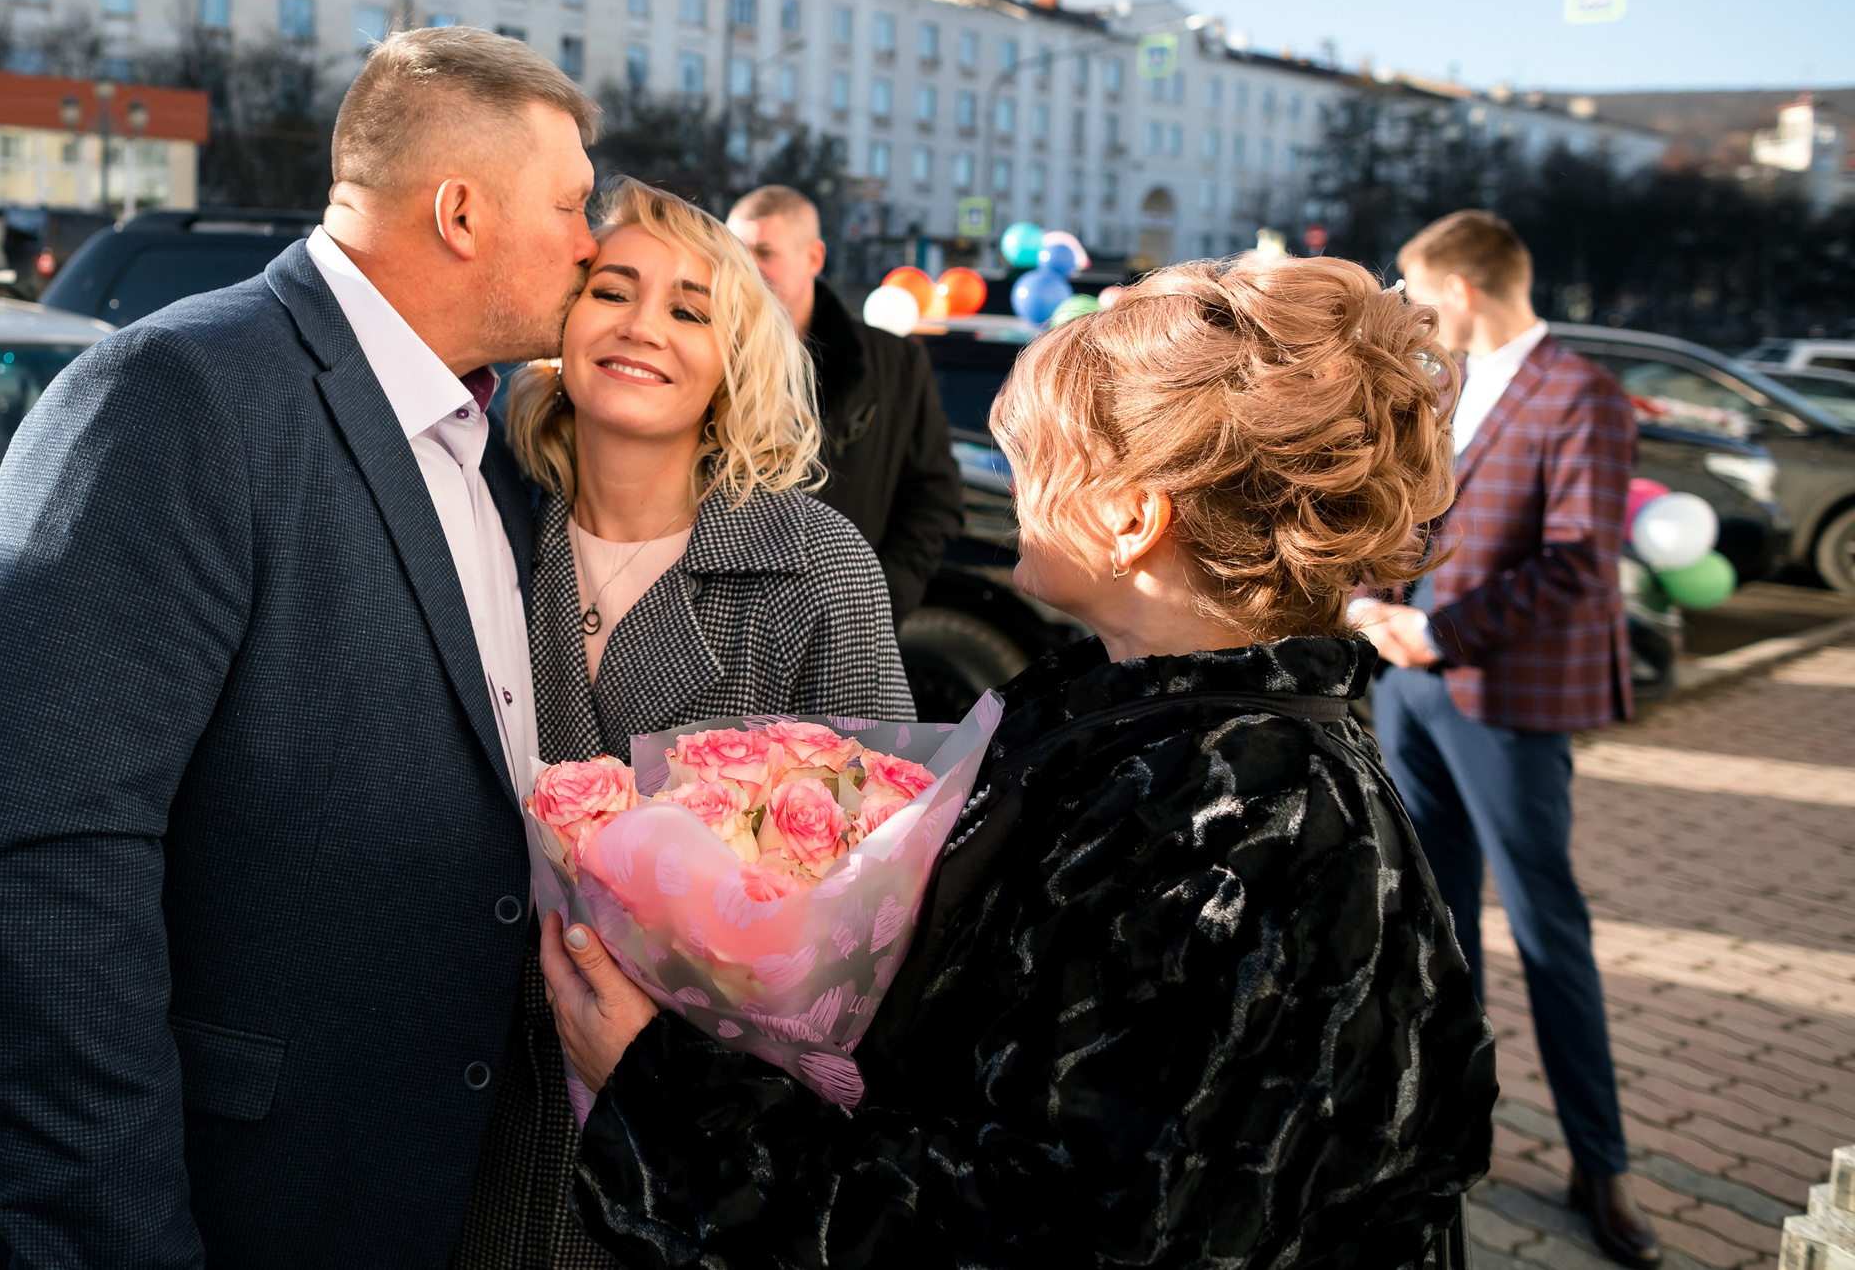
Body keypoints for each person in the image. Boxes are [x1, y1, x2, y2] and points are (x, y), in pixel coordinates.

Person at [540, 254, 1497, 1268]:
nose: (1014, 484)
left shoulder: (1248, 816)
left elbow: (1049, 1231)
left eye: (1042, 458)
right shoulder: (1155, 736)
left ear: (1132, 518)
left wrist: (660, 1089)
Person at [0, 26, 603, 1267]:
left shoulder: (491, 452)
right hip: (203, 1206)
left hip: (385, 1200)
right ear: (461, 212)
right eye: (572, 203)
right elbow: (43, 867)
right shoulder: (176, 395)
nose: (591, 243)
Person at [454, 181, 913, 1269]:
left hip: (686, 1154)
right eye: (611, 291)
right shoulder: (477, 525)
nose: (641, 326)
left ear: (734, 360)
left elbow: (881, 893)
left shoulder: (815, 569)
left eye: (689, 309)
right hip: (464, 1121)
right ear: (562, 321)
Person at [1351, 210, 1656, 1267]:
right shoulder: (1448, 384)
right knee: (1435, 926)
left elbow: (1579, 560)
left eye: (1414, 288)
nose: (1407, 308)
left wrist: (1442, 633)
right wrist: (1370, 603)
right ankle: (1443, 1136)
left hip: (1506, 701)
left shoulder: (1582, 393)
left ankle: (1599, 1163)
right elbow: (1410, 516)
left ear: (1462, 288)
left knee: (1545, 928)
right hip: (1409, 690)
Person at [725, 187, 962, 624]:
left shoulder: (893, 363)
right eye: (737, 252)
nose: (748, 268)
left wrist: (877, 601)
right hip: (731, 627)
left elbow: (934, 497)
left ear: (814, 258)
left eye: (765, 252)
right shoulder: (708, 356)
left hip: (847, 622)